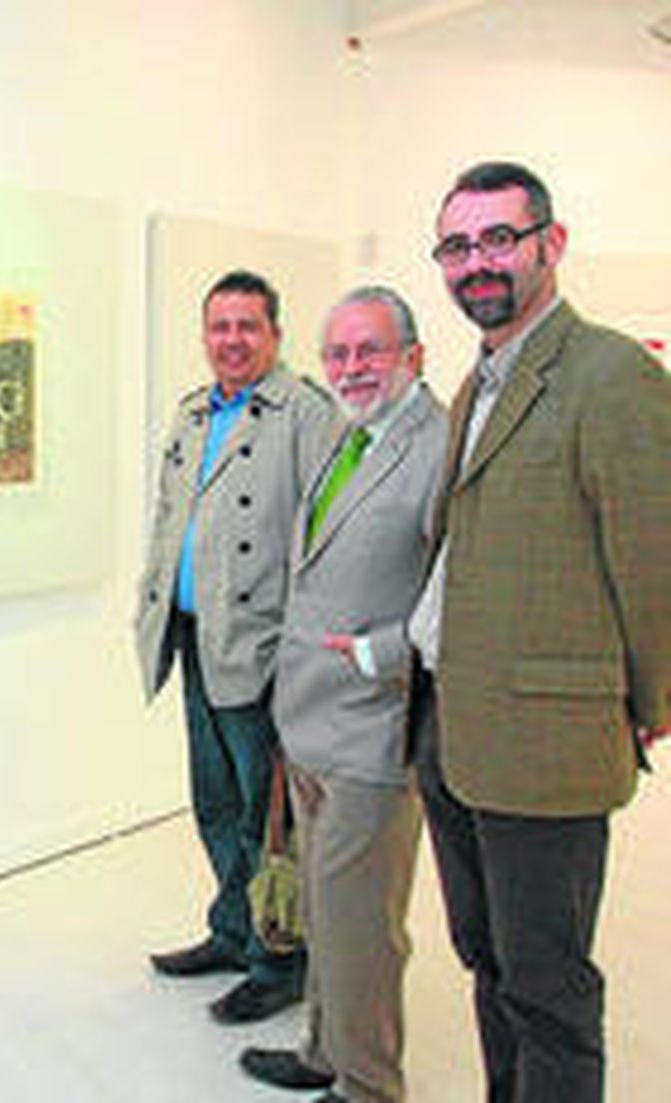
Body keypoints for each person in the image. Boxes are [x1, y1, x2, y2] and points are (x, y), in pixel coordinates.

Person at [410, 161, 671, 1102]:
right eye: (456, 245)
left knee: (549, 987)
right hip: (449, 724)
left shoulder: (612, 375)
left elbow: (655, 562)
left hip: (546, 739)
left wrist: (647, 704)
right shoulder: (473, 383)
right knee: (488, 961)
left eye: (497, 239)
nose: (475, 263)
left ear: (550, 244)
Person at [238, 287, 445, 1103]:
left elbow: (461, 587)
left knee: (363, 929)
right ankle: (324, 1050)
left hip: (377, 734)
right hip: (313, 723)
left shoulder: (438, 447)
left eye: (370, 350)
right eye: (338, 354)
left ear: (413, 357)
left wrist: (377, 653)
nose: (351, 367)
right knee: (326, 912)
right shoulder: (347, 434)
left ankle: (368, 1086)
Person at [136, 269, 340, 1024]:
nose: (231, 340)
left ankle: (278, 957)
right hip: (194, 636)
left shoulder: (306, 413)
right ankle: (232, 929)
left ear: (275, 334)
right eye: (219, 326)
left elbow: (326, 540)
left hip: (264, 651)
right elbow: (168, 520)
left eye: (247, 326)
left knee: (269, 816)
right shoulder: (193, 414)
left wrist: (305, 655)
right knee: (215, 801)